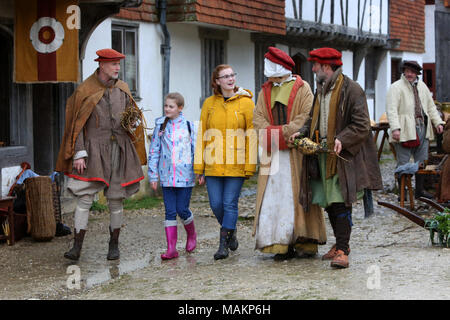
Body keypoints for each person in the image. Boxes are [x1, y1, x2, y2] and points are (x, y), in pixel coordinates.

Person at [289, 47, 382, 268]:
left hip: (343, 158)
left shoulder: (352, 90)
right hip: (323, 156)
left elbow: (361, 125)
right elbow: (313, 117)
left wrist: (343, 138)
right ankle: (339, 244)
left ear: (327, 67)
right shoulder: (321, 89)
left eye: (316, 66)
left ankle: (343, 249)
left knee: (341, 202)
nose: (313, 69)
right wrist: (301, 133)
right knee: (329, 203)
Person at [56, 49, 147, 261]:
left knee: (116, 199)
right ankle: (76, 247)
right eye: (114, 64)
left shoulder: (123, 89)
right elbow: (76, 126)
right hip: (92, 151)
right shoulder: (85, 90)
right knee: (85, 197)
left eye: (118, 64)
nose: (117, 68)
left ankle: (113, 245)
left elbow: (132, 115)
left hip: (119, 150)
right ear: (102, 65)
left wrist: (133, 121)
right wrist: (79, 153)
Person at [253, 47, 327, 260]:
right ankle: (279, 243)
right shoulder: (265, 90)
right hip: (273, 154)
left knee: (298, 194)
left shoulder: (303, 88)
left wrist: (281, 134)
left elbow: (306, 117)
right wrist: (273, 135)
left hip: (296, 154)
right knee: (273, 196)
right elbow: (258, 118)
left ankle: (304, 240)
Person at [194, 64, 256, 260]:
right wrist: (199, 167)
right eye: (225, 76)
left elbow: (251, 136)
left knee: (230, 204)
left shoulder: (246, 103)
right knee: (216, 204)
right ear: (217, 81)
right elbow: (202, 134)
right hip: (213, 162)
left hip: (236, 162)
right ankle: (231, 230)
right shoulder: (209, 104)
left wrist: (249, 165)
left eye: (232, 75)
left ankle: (223, 246)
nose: (230, 79)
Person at [148, 92, 197, 260]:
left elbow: (195, 151)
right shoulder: (160, 126)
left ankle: (191, 235)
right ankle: (171, 249)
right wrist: (153, 176)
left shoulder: (189, 126)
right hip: (166, 176)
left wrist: (200, 172)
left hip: (185, 177)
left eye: (171, 106)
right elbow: (154, 151)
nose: (167, 109)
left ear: (180, 108)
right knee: (169, 211)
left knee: (181, 209)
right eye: (166, 106)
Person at [386, 60, 444, 199]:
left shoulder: (422, 86)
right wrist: (395, 128)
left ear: (417, 73)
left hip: (422, 127)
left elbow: (430, 107)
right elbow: (391, 110)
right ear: (404, 71)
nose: (410, 74)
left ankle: (419, 191)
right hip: (404, 129)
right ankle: (402, 193)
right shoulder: (396, 87)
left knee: (421, 161)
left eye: (413, 72)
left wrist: (438, 123)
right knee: (403, 162)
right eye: (407, 71)